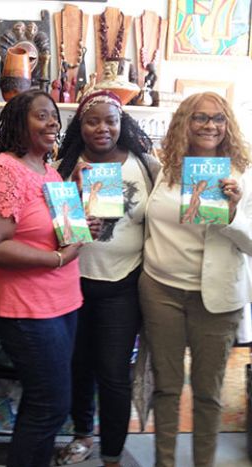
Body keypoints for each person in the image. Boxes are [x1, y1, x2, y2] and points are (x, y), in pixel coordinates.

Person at [0, 89, 84, 467]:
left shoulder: (48, 170)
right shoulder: (3, 170)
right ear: (20, 123)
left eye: (54, 116)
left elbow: (57, 233)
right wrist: (54, 258)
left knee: (50, 403)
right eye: (41, 116)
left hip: (62, 302)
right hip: (27, 308)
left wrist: (81, 218)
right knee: (49, 403)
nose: (52, 122)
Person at [140, 91, 252, 467]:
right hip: (161, 289)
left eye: (218, 119)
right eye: (200, 117)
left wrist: (233, 214)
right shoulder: (164, 169)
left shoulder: (244, 173)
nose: (209, 125)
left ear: (228, 125)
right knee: (167, 388)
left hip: (217, 297)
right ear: (184, 122)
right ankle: (164, 463)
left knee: (208, 392)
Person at [54, 90, 159, 467]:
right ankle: (83, 436)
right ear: (79, 126)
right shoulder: (63, 165)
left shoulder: (146, 165)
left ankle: (113, 454)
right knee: (78, 367)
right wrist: (75, 200)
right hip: (72, 283)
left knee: (114, 374)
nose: (102, 128)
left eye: (110, 120)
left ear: (122, 123)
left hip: (124, 284)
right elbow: (51, 227)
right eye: (92, 121)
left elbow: (161, 219)